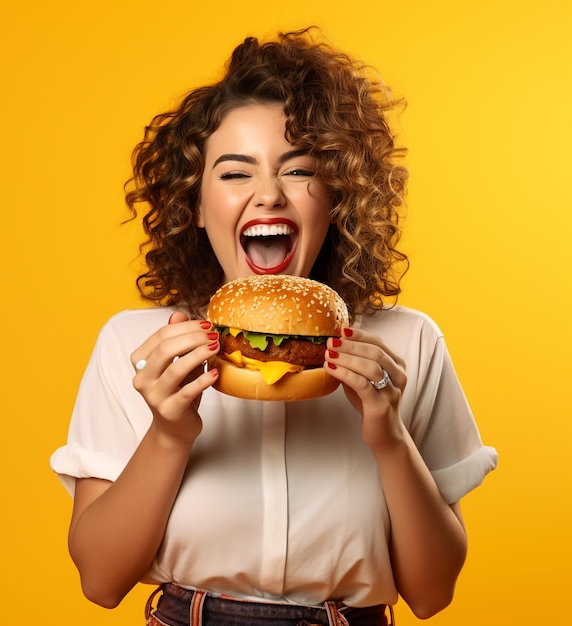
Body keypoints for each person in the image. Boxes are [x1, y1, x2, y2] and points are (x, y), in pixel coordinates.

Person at [51, 28, 497, 626]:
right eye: (236, 174)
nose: (268, 196)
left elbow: (432, 593)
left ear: (338, 199)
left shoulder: (407, 345)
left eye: (298, 171)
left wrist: (389, 437)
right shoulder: (136, 348)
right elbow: (101, 582)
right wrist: (168, 433)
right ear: (196, 205)